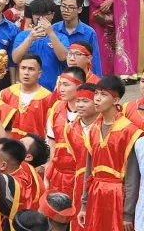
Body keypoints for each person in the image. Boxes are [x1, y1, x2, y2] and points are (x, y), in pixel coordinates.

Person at [78, 76, 142, 231]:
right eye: (96, 94)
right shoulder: (94, 129)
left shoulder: (129, 131)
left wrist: (127, 213)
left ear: (115, 100)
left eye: (104, 95)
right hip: (96, 192)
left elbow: (133, 177)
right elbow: (89, 170)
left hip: (117, 196)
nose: (97, 99)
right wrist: (84, 205)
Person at [45, 67, 86, 199]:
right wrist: (47, 176)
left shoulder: (91, 114)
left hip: (81, 175)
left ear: (80, 86)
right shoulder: (56, 110)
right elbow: (52, 148)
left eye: (66, 84)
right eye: (60, 84)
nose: (61, 89)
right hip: (58, 175)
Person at [63, 83, 99, 231]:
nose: (80, 105)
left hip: (102, 184)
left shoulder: (107, 126)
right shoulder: (70, 129)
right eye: (78, 101)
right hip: (80, 184)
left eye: (85, 101)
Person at [14, 0, 69, 91]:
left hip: (53, 89)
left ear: (52, 15)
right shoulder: (23, 36)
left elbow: (63, 57)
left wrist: (51, 33)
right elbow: (16, 59)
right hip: (27, 89)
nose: (40, 18)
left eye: (44, 14)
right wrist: (30, 38)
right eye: (37, 14)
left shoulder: (61, 37)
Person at [0, 54, 52, 138]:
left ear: (39, 74)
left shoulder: (48, 98)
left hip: (35, 148)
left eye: (31, 69)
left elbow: (51, 131)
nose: (26, 73)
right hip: (9, 147)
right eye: (23, 68)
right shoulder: (5, 93)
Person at [52, 0, 102, 77]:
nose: (65, 10)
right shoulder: (53, 29)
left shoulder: (89, 33)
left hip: (80, 81)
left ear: (79, 9)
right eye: (63, 6)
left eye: (71, 7)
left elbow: (95, 62)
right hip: (57, 81)